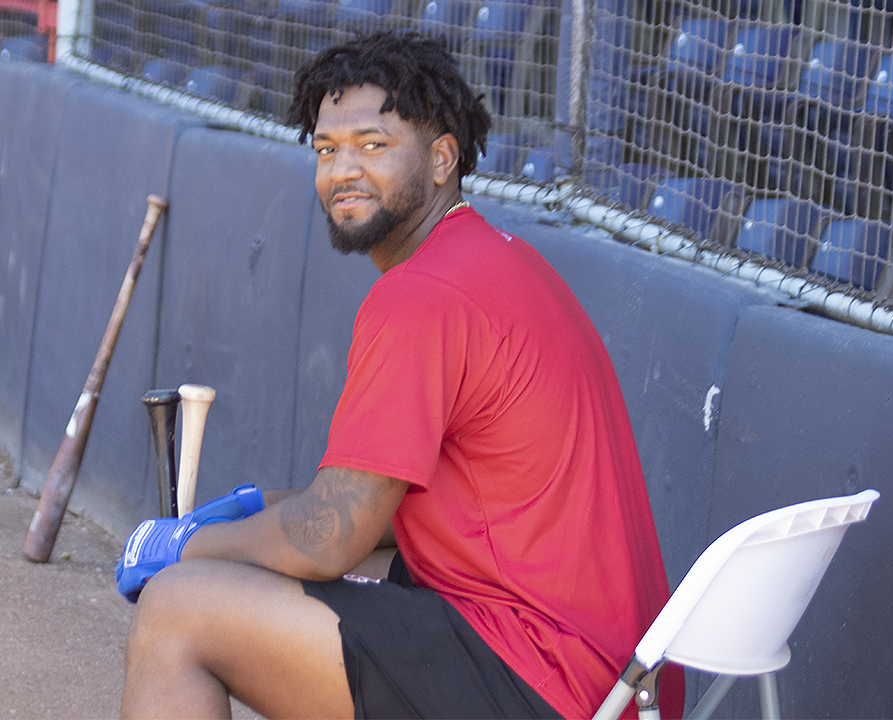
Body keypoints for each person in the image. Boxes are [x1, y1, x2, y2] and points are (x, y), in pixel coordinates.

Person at [117, 30, 683, 720]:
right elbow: (381, 517)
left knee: (181, 608)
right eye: (326, 150)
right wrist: (256, 511)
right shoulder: (497, 260)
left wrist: (185, 544)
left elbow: (331, 539)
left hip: (547, 678)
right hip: (617, 677)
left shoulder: (424, 294)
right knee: (271, 563)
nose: (342, 169)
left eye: (373, 145)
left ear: (442, 158)